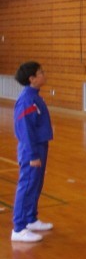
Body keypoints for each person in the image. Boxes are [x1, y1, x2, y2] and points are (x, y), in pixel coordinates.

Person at [11, 61, 54, 243]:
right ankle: (18, 228)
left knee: (36, 184)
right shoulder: (26, 100)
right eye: (40, 72)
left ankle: (30, 218)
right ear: (32, 78)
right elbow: (25, 130)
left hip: (40, 146)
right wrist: (32, 155)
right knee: (27, 185)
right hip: (32, 149)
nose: (44, 74)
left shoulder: (35, 97)